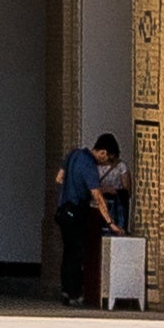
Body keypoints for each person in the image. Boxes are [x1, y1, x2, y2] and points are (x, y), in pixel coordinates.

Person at [54, 130, 128, 307]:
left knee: (68, 252)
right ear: (103, 152)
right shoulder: (89, 166)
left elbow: (58, 178)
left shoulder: (73, 154)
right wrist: (111, 223)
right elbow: (97, 196)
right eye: (107, 159)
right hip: (75, 211)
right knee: (77, 253)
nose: (105, 163)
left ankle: (66, 291)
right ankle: (75, 294)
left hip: (63, 210)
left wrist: (71, 186)